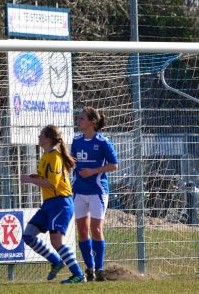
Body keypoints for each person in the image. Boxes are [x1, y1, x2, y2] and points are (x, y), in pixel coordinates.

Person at [20, 125, 86, 283]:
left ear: (48, 139)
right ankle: (56, 261)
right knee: (28, 236)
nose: (38, 137)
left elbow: (53, 184)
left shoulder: (55, 157)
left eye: (41, 135)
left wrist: (31, 180)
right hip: (49, 204)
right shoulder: (45, 156)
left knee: (56, 241)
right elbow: (47, 178)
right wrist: (36, 176)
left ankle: (78, 275)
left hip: (60, 203)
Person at [71, 107, 118, 282]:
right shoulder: (76, 141)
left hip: (98, 191)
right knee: (82, 231)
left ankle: (99, 269)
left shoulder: (103, 142)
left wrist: (93, 171)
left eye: (82, 118)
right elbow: (72, 161)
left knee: (96, 229)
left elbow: (114, 165)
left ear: (91, 122)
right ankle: (89, 269)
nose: (79, 120)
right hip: (79, 192)